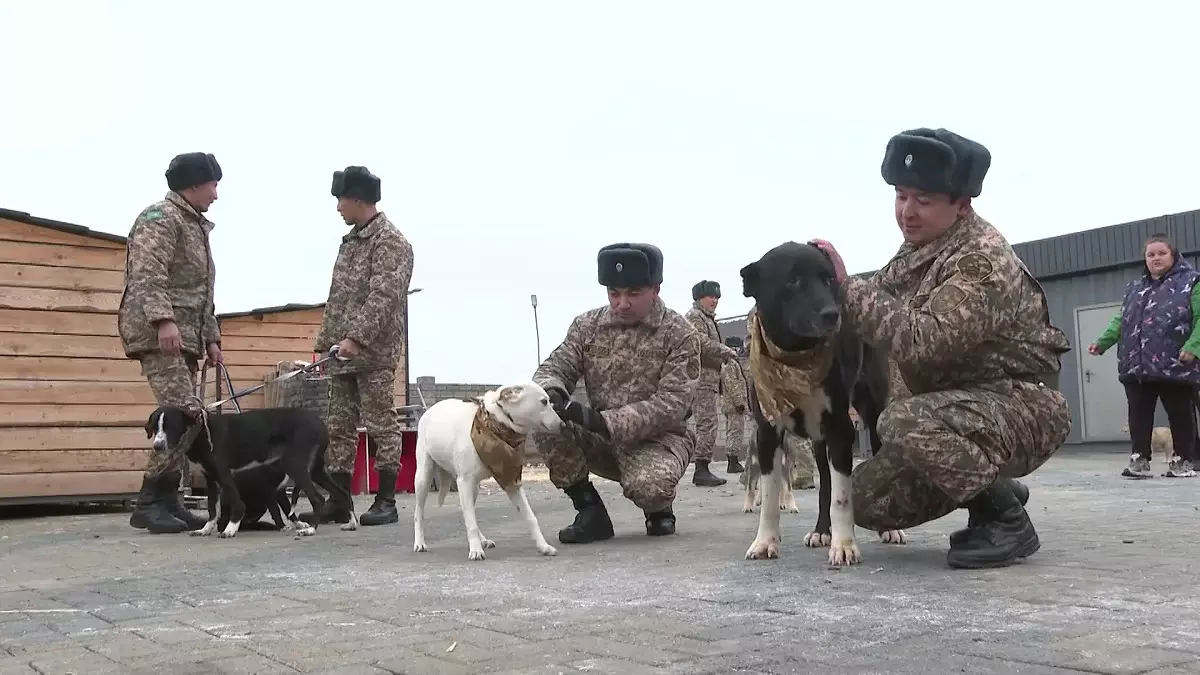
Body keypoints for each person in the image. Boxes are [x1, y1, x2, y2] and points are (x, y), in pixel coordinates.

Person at [811, 127, 1072, 569]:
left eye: (923, 200)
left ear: (961, 204)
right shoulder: (919, 249)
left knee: (901, 420)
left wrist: (845, 287)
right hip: (956, 414)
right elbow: (876, 305)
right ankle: (993, 487)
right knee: (862, 502)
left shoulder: (981, 259)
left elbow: (922, 340)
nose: (907, 212)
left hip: (1021, 408)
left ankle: (1005, 519)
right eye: (900, 196)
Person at [531, 243, 701, 543]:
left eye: (633, 293)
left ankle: (659, 508)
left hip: (658, 439)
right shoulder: (587, 326)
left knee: (650, 486)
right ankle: (590, 511)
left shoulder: (680, 333)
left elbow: (672, 404)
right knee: (546, 422)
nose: (621, 303)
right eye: (614, 293)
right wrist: (552, 393)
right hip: (600, 437)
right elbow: (553, 367)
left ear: (656, 289)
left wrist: (602, 421)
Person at [118, 152, 223, 534]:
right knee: (183, 414)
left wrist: (211, 337)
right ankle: (150, 502)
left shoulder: (193, 225)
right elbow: (147, 273)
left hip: (187, 337)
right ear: (194, 184)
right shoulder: (160, 218)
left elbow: (201, 292)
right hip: (158, 332)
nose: (215, 194)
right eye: (213, 185)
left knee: (190, 418)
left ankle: (169, 500)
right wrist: (163, 320)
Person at [305, 166, 414, 527]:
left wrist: (357, 339)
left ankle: (386, 500)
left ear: (356, 199)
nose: (337, 208)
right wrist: (326, 346)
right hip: (342, 355)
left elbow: (384, 297)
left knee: (382, 424)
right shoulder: (351, 241)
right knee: (339, 426)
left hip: (373, 354)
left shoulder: (391, 242)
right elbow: (338, 300)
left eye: (340, 201)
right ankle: (339, 501)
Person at [1087, 233, 1199, 478]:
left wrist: (1194, 346)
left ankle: (1183, 461)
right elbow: (1121, 319)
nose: (1156, 258)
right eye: (1151, 254)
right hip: (1136, 362)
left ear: (1173, 255)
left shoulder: (1191, 282)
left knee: (1180, 412)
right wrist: (1103, 342)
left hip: (1175, 362)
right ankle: (1139, 459)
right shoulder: (1135, 288)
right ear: (1145, 259)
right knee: (1138, 414)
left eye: (1161, 253)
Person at [685, 280, 739, 486]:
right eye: (711, 297)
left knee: (708, 422)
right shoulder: (695, 317)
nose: (715, 301)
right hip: (700, 378)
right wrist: (725, 351)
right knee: (706, 423)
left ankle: (702, 466)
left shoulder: (707, 318)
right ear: (700, 298)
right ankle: (701, 469)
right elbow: (699, 342)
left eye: (717, 297)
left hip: (708, 378)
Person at [720, 336, 750, 473]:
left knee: (734, 431)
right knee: (735, 432)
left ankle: (733, 461)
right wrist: (739, 402)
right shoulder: (730, 364)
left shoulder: (732, 363)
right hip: (733, 405)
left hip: (731, 404)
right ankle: (733, 462)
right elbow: (733, 384)